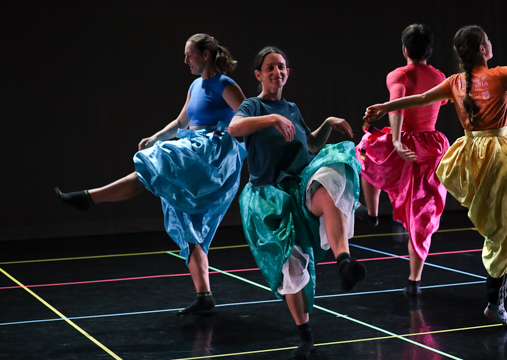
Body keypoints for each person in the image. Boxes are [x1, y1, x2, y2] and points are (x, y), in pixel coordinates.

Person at [364, 25, 507, 329]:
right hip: (501, 154)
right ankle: (495, 302)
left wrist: (384, 107)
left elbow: (420, 99)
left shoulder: (454, 82)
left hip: (474, 155)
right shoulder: (502, 75)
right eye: (488, 41)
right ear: (483, 49)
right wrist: (506, 78)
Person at [55, 34, 247, 315]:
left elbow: (247, 115)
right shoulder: (195, 86)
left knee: (155, 162)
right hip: (191, 154)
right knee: (185, 223)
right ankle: (204, 295)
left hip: (209, 157)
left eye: (190, 55)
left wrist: (227, 133)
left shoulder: (225, 85)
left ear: (205, 55)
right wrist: (156, 136)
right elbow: (182, 121)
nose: (185, 60)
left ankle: (89, 197)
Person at [228, 46, 366, 359]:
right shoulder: (253, 106)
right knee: (290, 266)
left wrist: (329, 122)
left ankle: (344, 261)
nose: (277, 72)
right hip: (269, 197)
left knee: (330, 185)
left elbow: (311, 143)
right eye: (271, 67)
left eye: (282, 67)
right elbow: (234, 129)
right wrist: (270, 118)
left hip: (299, 182)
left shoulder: (292, 107)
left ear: (287, 73)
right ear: (259, 75)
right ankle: (304, 333)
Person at [354, 24, 450, 297]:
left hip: (407, 142)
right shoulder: (440, 76)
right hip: (431, 146)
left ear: (405, 50)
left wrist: (396, 140)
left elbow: (397, 103)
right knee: (421, 212)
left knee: (365, 149)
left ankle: (372, 214)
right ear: (428, 51)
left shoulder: (399, 74)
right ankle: (414, 281)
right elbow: (437, 102)